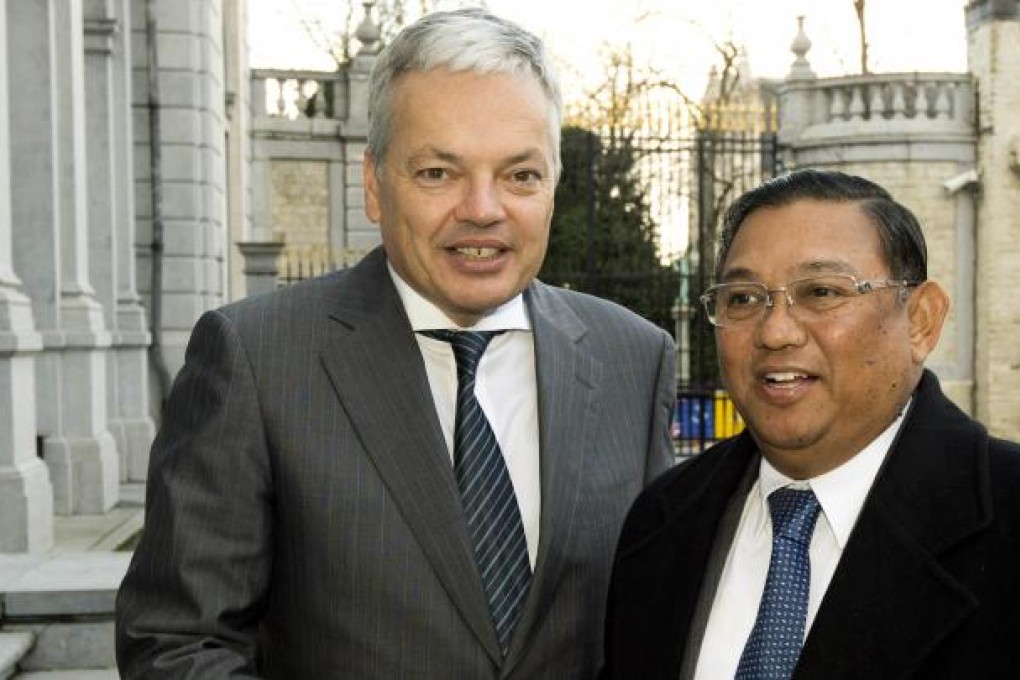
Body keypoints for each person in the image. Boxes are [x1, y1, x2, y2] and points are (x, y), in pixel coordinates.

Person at [115, 8, 676, 679]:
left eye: (520, 175)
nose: (483, 208)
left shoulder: (633, 360)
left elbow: (658, 623)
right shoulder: (257, 360)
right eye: (439, 172)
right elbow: (176, 645)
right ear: (375, 185)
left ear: (553, 184)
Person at [600, 169, 1020, 679]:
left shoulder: (1005, 517)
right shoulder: (663, 522)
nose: (775, 332)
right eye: (744, 299)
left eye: (821, 292)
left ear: (921, 321)